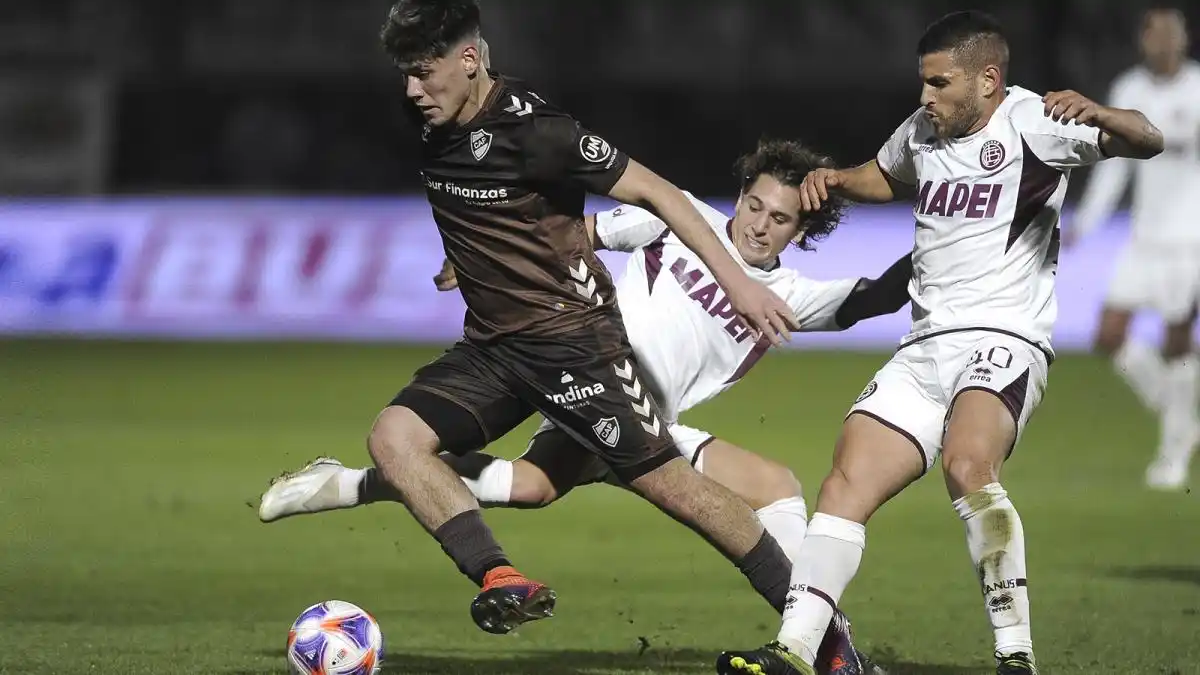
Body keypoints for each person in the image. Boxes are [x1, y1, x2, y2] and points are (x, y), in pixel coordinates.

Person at [260, 138, 912, 672]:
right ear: (739, 196)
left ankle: (350, 482)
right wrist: (488, 257)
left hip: (656, 427)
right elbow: (581, 232)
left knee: (546, 485)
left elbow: (875, 298)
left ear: (801, 229)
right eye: (754, 204)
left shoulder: (790, 293)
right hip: (588, 385)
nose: (760, 224)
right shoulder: (681, 218)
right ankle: (830, 648)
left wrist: (956, 239)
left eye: (781, 218)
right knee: (557, 485)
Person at [716, 10, 1163, 675]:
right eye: (923, 84)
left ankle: (1016, 656)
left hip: (1004, 336)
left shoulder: (1035, 122)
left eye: (939, 83)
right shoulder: (924, 129)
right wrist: (837, 180)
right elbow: (886, 173)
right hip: (925, 344)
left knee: (967, 464)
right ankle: (795, 651)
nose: (926, 97)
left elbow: (1148, 140)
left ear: (987, 79)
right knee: (846, 480)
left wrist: (1101, 111)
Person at [347, 0, 805, 637]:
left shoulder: (540, 131)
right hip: (492, 349)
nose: (411, 90)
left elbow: (659, 193)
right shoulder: (428, 116)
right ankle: (501, 578)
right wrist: (475, 255)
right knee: (393, 438)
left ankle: (822, 634)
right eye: (404, 74)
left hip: (573, 344)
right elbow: (490, 202)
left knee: (676, 489)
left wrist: (740, 286)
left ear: (471, 59)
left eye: (424, 72)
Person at [1066, 6, 1200, 491]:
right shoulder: (1130, 91)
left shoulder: (1198, 89)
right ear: (1143, 40)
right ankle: (1177, 412)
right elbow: (1115, 167)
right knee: (1108, 334)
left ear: (1185, 39)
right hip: (1144, 238)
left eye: (1173, 32)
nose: (1165, 41)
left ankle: (1173, 456)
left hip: (1191, 241)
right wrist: (1086, 222)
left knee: (1177, 341)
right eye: (1156, 33)